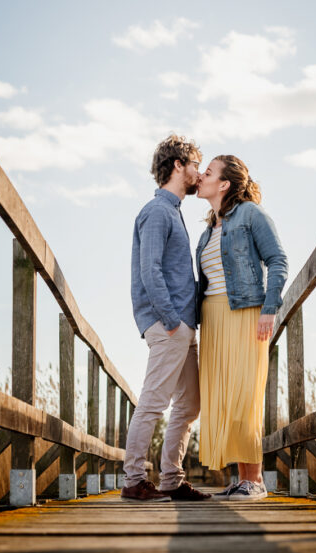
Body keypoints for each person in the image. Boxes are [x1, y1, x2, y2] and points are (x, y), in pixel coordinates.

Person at [121, 134, 211, 502]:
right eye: (194, 165)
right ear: (178, 165)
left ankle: (171, 479)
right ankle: (134, 480)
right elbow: (149, 271)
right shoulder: (157, 211)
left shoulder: (172, 211)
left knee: (190, 405)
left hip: (182, 326)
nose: (199, 172)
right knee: (154, 402)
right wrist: (172, 320)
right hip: (168, 324)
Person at [195, 155, 288, 501]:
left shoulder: (251, 214)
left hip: (246, 312)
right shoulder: (208, 229)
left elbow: (278, 259)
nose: (201, 176)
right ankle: (238, 479)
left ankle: (256, 481)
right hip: (213, 318)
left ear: (224, 184)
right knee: (222, 397)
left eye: (209, 172)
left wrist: (269, 309)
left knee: (244, 396)